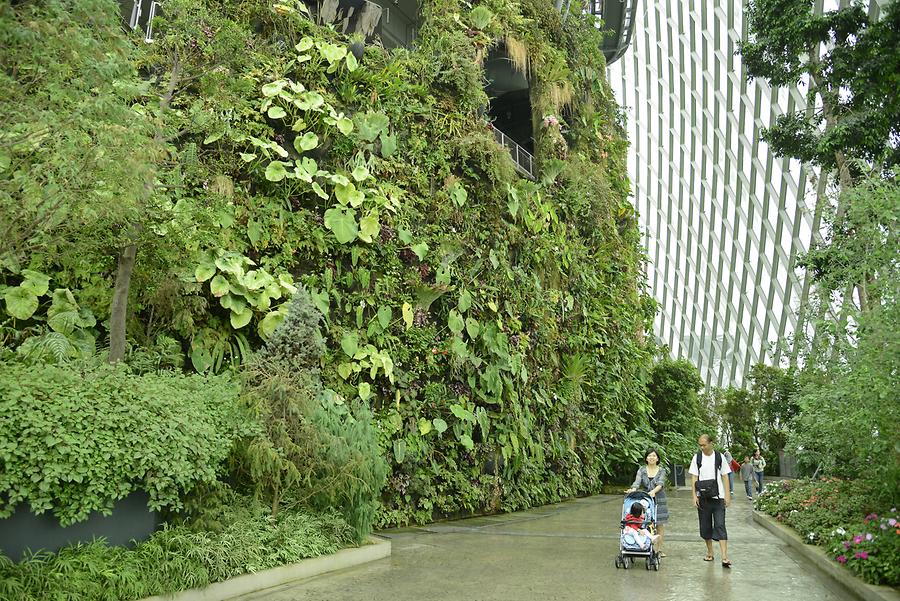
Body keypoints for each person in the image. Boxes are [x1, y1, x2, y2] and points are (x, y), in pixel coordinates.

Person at [689, 433, 732, 568]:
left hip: (718, 498)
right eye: (700, 445)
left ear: (711, 443)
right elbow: (694, 478)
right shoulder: (697, 457)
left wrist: (727, 495)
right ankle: (710, 552)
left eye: (704, 445)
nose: (702, 447)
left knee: (720, 525)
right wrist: (694, 496)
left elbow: (725, 476)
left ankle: (724, 556)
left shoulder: (719, 457)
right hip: (703, 498)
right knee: (705, 526)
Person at [625, 448, 669, 556]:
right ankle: (644, 545)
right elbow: (637, 482)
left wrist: (653, 491)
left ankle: (658, 549)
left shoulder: (662, 470)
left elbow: (660, 484)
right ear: (646, 458)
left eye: (654, 456)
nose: (651, 458)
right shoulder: (642, 470)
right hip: (646, 499)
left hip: (659, 498)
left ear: (657, 458)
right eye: (649, 456)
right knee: (643, 521)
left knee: (659, 524)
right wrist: (633, 489)